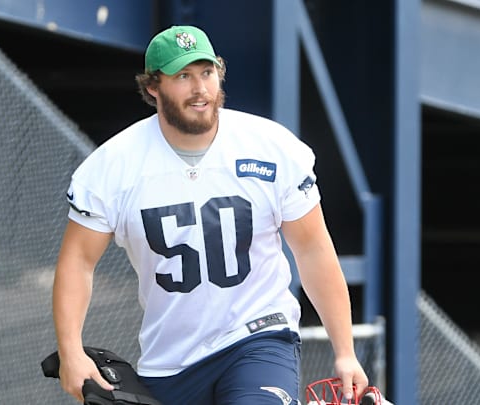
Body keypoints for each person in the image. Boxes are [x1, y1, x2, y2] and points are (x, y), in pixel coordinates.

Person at [52, 25, 368, 405]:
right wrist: (71, 352)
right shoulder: (113, 166)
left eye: (207, 72)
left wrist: (345, 350)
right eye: (183, 76)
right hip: (170, 362)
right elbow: (78, 262)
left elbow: (313, 249)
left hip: (258, 337)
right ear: (154, 87)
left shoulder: (271, 147)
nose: (200, 88)